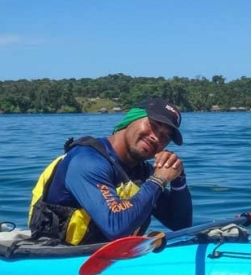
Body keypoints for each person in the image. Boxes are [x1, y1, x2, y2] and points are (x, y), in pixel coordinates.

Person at [28, 98, 192, 245]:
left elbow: (181, 224)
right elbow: (115, 226)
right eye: (153, 126)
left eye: (165, 137)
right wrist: (158, 181)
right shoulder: (87, 161)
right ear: (131, 120)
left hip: (109, 257)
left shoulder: (142, 172)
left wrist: (178, 178)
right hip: (62, 256)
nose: (156, 138)